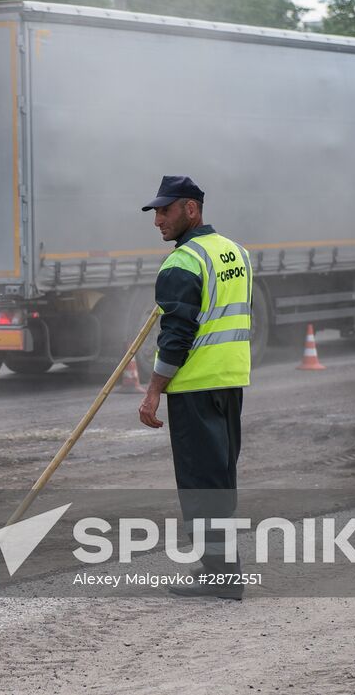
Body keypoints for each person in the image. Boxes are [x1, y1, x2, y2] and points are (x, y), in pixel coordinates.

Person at [137, 175, 252, 600]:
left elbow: (177, 336)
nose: (157, 221)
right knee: (220, 481)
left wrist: (153, 391)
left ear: (191, 209)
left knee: (201, 488)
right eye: (155, 212)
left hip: (195, 387)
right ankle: (223, 572)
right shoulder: (236, 252)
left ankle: (222, 579)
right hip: (230, 382)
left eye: (164, 211)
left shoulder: (182, 262)